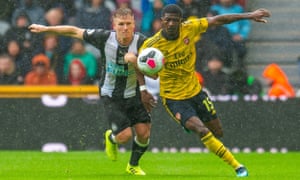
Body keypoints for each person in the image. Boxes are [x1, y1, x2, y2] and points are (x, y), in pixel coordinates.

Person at [127, 4, 270, 177]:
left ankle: (191, 123)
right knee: (202, 130)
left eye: (175, 20)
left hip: (196, 92)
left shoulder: (190, 28)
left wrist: (250, 15)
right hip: (174, 99)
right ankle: (238, 166)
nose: (171, 24)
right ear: (161, 21)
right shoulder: (151, 46)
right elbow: (141, 68)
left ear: (181, 22)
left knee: (218, 132)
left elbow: (218, 20)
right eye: (167, 20)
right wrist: (143, 89)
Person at [29, 7, 155, 175]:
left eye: (128, 24)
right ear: (114, 25)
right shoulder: (104, 37)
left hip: (134, 94)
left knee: (144, 133)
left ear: (134, 24)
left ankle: (133, 166)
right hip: (111, 94)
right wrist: (46, 29)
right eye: (121, 24)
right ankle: (111, 138)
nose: (125, 28)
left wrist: (137, 64)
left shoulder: (143, 43)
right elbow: (74, 31)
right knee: (124, 137)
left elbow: (154, 74)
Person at [211, 0, 251, 69]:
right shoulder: (214, 9)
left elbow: (245, 24)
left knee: (241, 49)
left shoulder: (238, 9)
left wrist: (241, 35)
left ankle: (238, 68)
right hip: (219, 37)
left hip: (234, 37)